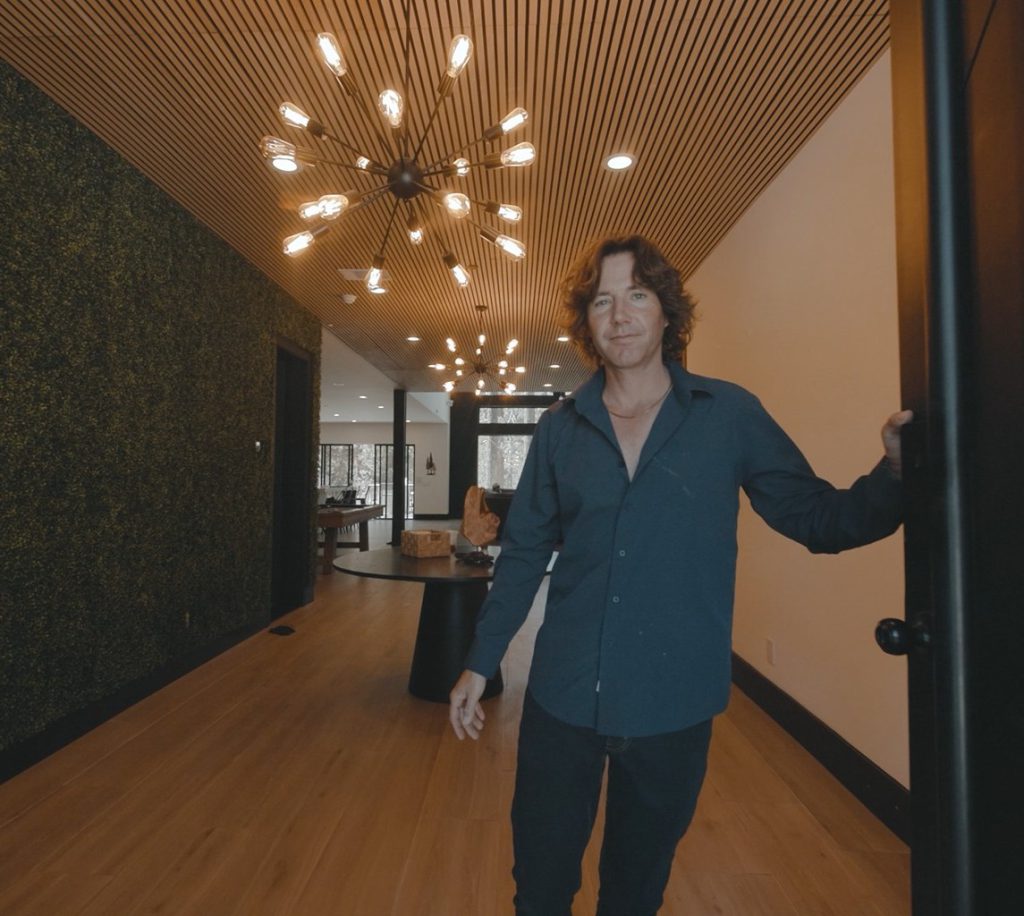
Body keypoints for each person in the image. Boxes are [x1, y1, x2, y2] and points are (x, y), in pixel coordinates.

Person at [448, 235, 911, 915]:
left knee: (635, 891)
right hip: (563, 697)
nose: (620, 314)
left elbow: (820, 520)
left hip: (673, 702)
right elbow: (521, 554)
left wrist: (897, 473)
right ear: (588, 323)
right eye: (603, 300)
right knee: (541, 887)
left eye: (637, 293)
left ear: (667, 311)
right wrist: (480, 661)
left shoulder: (730, 416)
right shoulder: (559, 429)